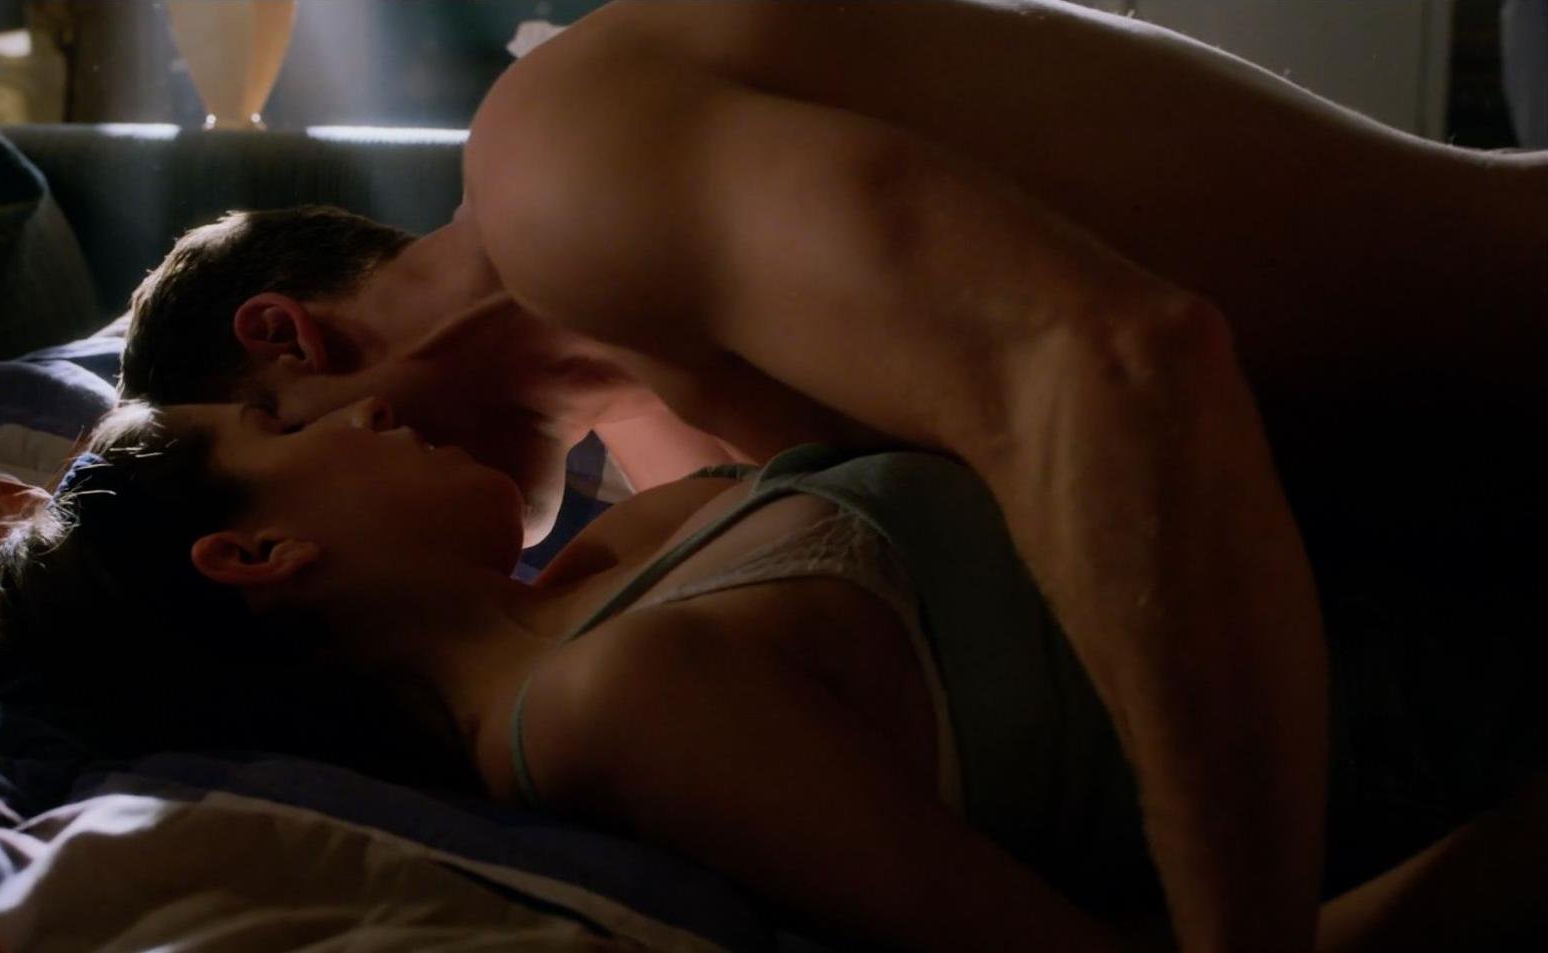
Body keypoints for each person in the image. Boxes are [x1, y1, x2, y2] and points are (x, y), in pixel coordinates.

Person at [91, 2, 1547, 950]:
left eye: (288, 430)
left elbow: (1118, 368)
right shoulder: (669, 448)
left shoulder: (560, 165)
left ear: (286, 342)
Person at [0, 395, 1546, 953]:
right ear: (254, 553)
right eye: (279, 428)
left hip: (1425, 510)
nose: (358, 412)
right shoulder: (604, 707)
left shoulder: (607, 556)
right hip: (1448, 710)